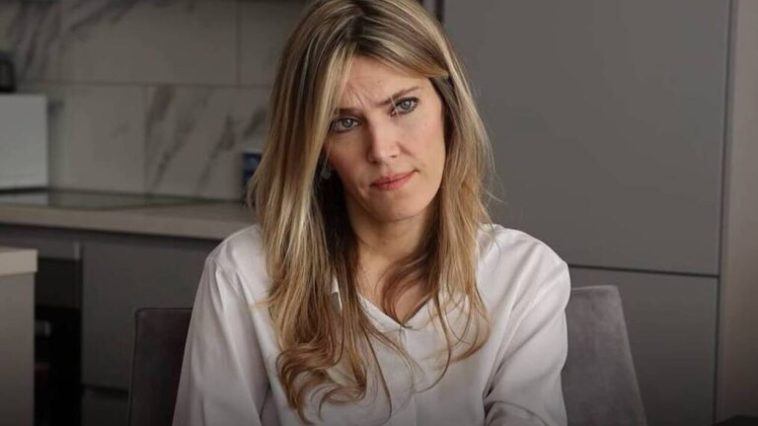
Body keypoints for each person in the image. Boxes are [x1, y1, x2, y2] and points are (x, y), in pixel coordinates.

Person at [172, 0, 571, 425]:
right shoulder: (243, 273)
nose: (381, 150)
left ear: (449, 108)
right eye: (345, 123)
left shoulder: (525, 277)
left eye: (404, 106)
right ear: (318, 148)